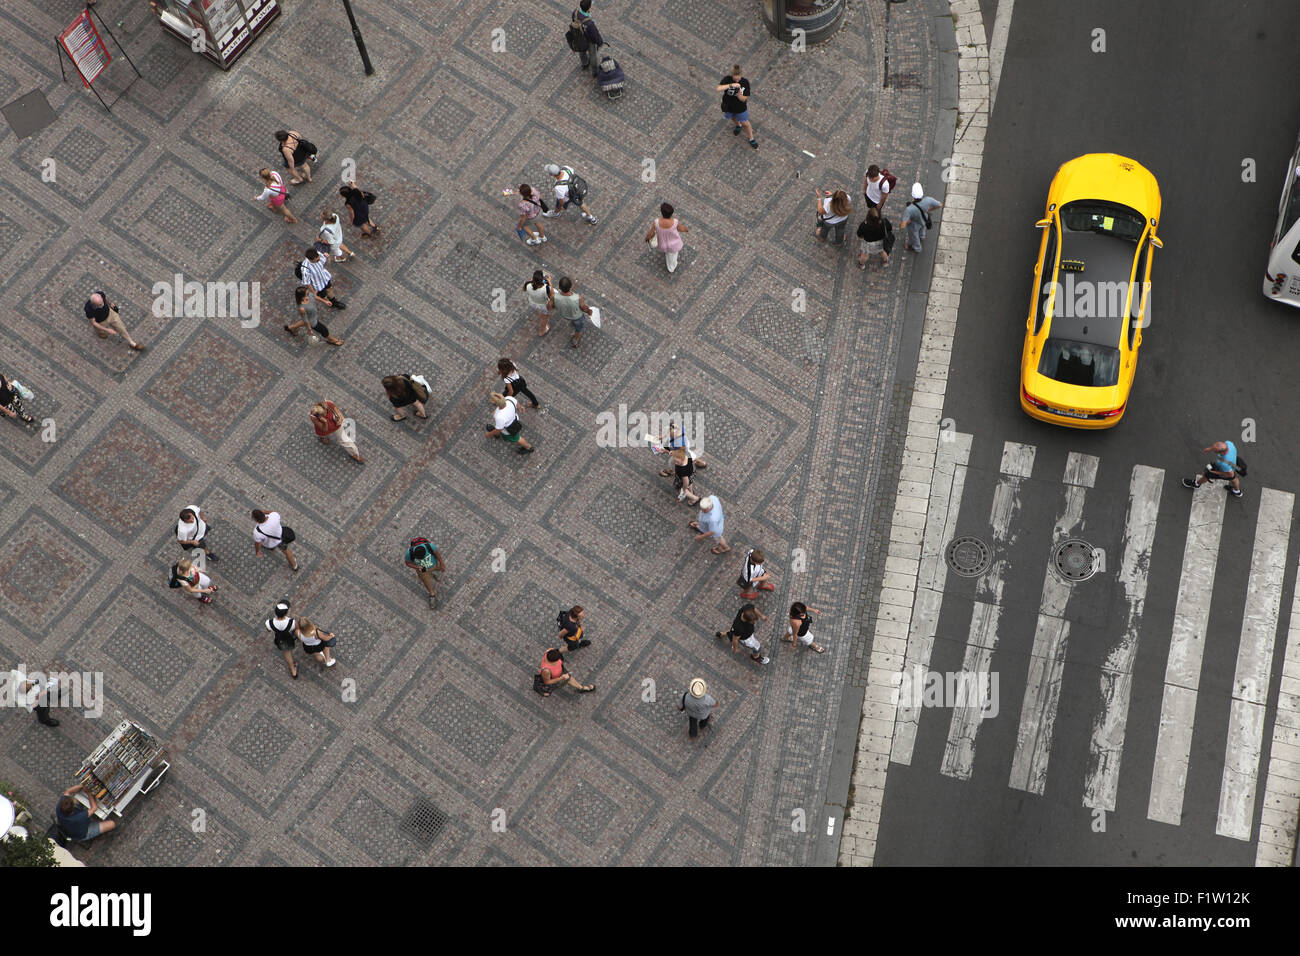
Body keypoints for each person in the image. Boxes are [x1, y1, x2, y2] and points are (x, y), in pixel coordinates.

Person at [716, 65, 757, 149]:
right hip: (727, 105)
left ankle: (751, 138)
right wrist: (732, 85)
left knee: (745, 123)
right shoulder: (728, 79)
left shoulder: (745, 82)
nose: (737, 80)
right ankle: (738, 125)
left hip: (740, 108)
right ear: (732, 76)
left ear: (741, 76)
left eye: (738, 79)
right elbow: (718, 88)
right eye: (735, 79)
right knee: (732, 117)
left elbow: (744, 99)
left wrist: (739, 94)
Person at [644, 203, 688, 273]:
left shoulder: (656, 222)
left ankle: (668, 255)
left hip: (663, 243)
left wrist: (647, 238)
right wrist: (686, 230)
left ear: (662, 212)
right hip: (674, 244)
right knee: (672, 257)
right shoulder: (675, 222)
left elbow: (651, 233)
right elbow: (681, 229)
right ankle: (671, 268)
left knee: (668, 252)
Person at [900, 182, 943, 252]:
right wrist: (929, 209)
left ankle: (917, 247)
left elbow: (902, 225)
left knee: (914, 236)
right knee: (922, 228)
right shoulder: (928, 200)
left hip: (914, 225)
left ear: (912, 195)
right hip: (924, 219)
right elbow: (940, 205)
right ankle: (922, 236)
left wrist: (907, 221)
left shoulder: (909, 209)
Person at [551, 276, 593, 348]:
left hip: (565, 315)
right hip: (577, 317)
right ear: (571, 286)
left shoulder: (554, 296)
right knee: (579, 330)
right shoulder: (577, 298)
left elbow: (551, 306)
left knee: (574, 322)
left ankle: (573, 324)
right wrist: (590, 311)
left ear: (559, 287)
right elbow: (583, 308)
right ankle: (575, 341)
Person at [404, 537, 446, 609]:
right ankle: (432, 594)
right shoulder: (409, 553)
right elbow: (407, 563)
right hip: (423, 570)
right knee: (426, 581)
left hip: (434, 565)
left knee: (438, 569)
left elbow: (438, 555)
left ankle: (433, 573)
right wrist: (417, 567)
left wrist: (442, 564)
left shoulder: (430, 546)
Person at [266, 602, 300, 679]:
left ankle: (293, 670)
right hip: (289, 638)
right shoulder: (292, 622)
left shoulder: (269, 622)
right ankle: (294, 670)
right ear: (285, 613)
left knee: (287, 653)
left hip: (280, 640)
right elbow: (297, 628)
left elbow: (268, 630)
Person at [570, 0, 604, 73]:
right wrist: (600, 42)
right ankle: (595, 71)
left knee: (581, 51)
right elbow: (595, 35)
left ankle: (584, 63)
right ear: (589, 8)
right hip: (589, 40)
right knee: (592, 56)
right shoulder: (589, 23)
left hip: (579, 37)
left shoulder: (575, 12)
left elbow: (573, 21)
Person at [523, 269, 554, 336]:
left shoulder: (528, 284)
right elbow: (552, 295)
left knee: (541, 313)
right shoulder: (545, 288)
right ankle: (542, 331)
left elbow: (524, 289)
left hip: (533, 302)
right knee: (544, 318)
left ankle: (541, 315)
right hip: (543, 305)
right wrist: (550, 282)